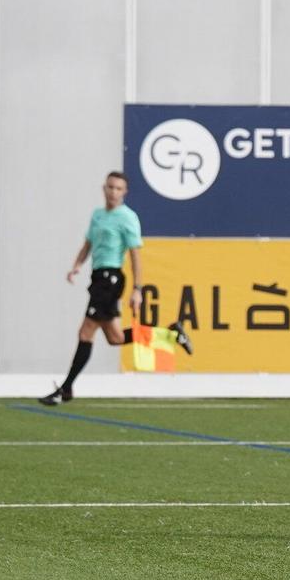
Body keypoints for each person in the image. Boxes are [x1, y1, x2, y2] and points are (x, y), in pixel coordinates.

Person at [39, 171, 191, 406]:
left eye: (118, 188)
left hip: (110, 279)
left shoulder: (127, 217)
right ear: (104, 188)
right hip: (98, 278)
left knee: (85, 332)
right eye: (110, 187)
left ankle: (65, 389)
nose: (113, 192)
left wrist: (138, 289)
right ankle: (171, 333)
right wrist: (77, 265)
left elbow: (135, 255)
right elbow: (88, 244)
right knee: (115, 338)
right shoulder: (98, 215)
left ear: (124, 192)